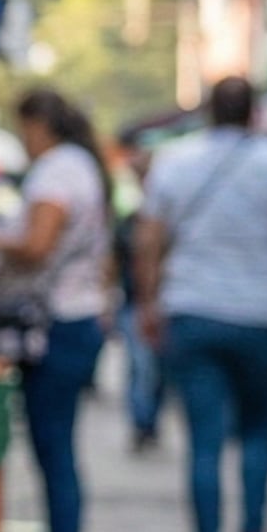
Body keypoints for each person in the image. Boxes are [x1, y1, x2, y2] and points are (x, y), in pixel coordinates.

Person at [136, 77, 267, 532]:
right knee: (258, 433)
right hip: (260, 313)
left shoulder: (173, 161)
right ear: (255, 113)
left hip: (191, 312)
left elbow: (148, 240)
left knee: (204, 441)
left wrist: (148, 303)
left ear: (207, 113)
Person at [0, 88, 113, 532]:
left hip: (58, 327)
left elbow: (37, 245)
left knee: (56, 455)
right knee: (58, 454)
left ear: (37, 125)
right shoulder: (82, 167)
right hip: (76, 321)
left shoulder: (57, 172)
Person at [108, 131, 167, 453]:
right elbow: (114, 262)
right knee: (141, 366)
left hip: (160, 303)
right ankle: (142, 422)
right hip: (134, 303)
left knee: (153, 369)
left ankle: (149, 422)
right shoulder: (129, 221)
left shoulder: (165, 221)